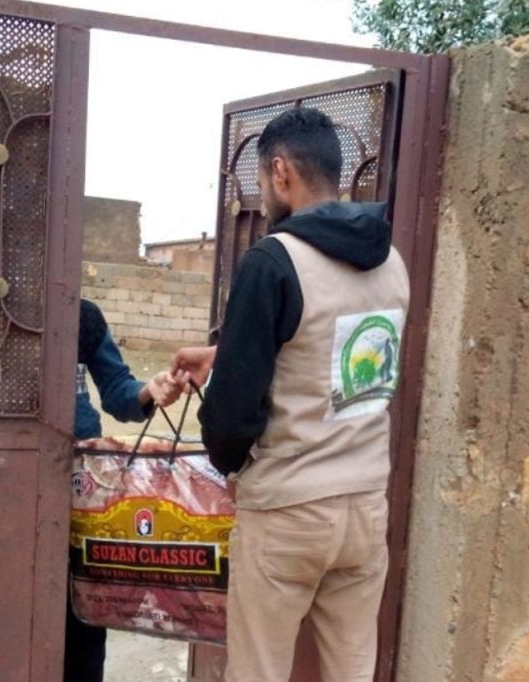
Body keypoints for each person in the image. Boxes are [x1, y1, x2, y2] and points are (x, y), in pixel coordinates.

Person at [173, 107, 410, 681]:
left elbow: (231, 414)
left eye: (261, 180)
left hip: (288, 511)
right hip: (363, 508)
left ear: (280, 172)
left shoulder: (274, 262)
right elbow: (334, 352)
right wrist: (225, 354)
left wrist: (232, 463)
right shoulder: (391, 261)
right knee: (353, 670)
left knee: (258, 671)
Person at [67, 298, 181, 682]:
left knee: (82, 609)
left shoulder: (83, 316)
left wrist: (149, 389)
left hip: (81, 486)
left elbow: (117, 390)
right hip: (11, 479)